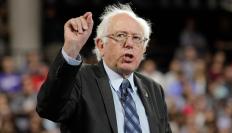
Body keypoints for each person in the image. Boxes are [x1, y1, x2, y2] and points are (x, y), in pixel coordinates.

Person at [36, 3, 172, 133]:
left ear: (143, 49)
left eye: (137, 38)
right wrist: (71, 49)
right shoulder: (80, 78)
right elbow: (48, 109)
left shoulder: (154, 89)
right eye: (121, 36)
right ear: (101, 45)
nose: (129, 43)